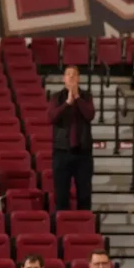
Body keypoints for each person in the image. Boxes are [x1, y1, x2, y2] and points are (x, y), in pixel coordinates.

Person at [47, 65, 95, 211]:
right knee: (61, 196)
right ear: (64, 79)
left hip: (83, 153)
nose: (72, 77)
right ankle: (62, 229)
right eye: (68, 74)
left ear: (79, 78)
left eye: (74, 74)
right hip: (62, 152)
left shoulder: (86, 96)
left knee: (84, 196)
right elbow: (52, 117)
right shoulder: (57, 97)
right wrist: (67, 103)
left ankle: (85, 230)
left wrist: (77, 98)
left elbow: (90, 115)